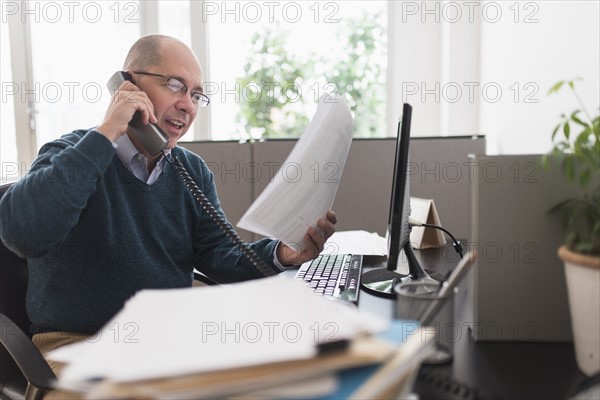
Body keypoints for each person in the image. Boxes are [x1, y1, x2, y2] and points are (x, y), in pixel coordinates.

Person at [0, 34, 336, 370]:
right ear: (127, 85)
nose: (188, 105)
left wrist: (283, 253)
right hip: (79, 346)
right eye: (175, 85)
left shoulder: (191, 170)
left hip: (170, 340)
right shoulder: (71, 155)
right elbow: (22, 232)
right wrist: (107, 132)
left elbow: (218, 253)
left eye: (196, 95)